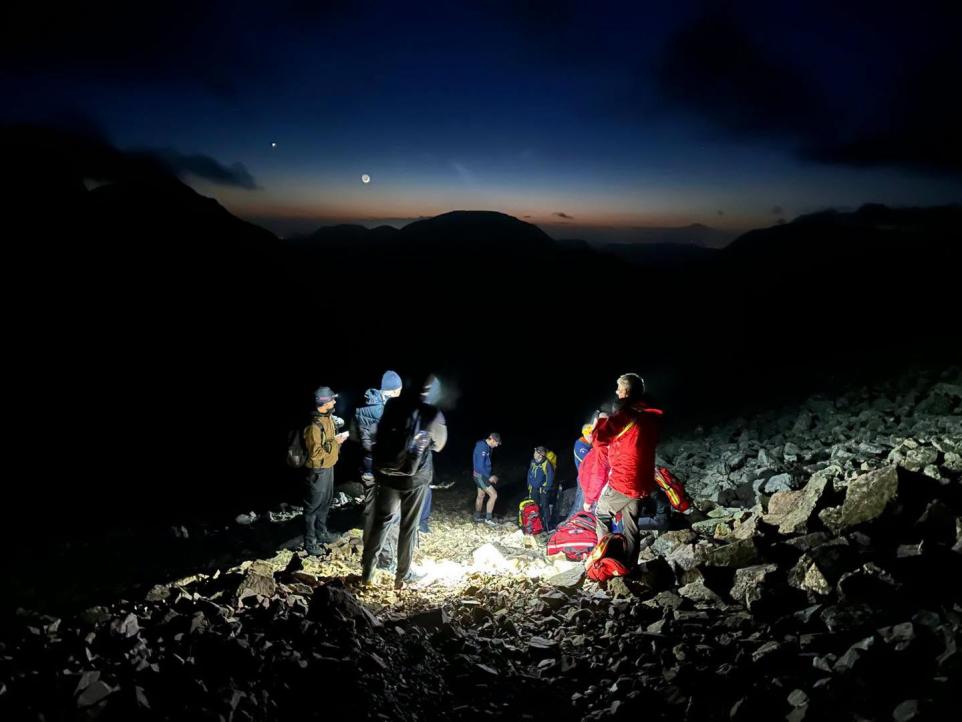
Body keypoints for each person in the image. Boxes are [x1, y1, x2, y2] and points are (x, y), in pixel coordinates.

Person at [362, 374, 447, 589]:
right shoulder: (431, 413)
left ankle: (367, 573)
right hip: (414, 478)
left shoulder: (393, 405)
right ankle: (402, 576)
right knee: (408, 527)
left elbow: (378, 435)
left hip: (387, 475)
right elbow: (439, 445)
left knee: (381, 521)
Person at [592, 373, 663, 570]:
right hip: (643, 479)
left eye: (618, 388)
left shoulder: (626, 415)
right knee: (631, 524)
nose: (616, 392)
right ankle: (630, 565)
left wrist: (602, 420)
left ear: (625, 392)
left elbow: (598, 440)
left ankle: (606, 559)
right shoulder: (651, 415)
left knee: (601, 513)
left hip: (625, 478)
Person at [354, 370, 403, 572]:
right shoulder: (383, 411)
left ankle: (369, 558)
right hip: (382, 471)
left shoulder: (364, 408)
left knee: (370, 514)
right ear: (392, 391)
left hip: (367, 468)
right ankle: (387, 561)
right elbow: (385, 444)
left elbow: (362, 441)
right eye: (399, 390)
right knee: (390, 516)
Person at [303, 386, 350, 555]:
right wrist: (336, 442)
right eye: (331, 399)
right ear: (323, 403)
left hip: (329, 466)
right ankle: (310, 542)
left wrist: (336, 439)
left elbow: (328, 441)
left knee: (325, 502)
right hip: (318, 470)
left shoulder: (327, 417)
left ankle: (322, 533)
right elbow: (315, 454)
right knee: (313, 507)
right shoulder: (314, 426)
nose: (334, 401)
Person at [473, 433, 501, 524]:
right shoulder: (482, 446)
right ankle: (488, 518)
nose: (497, 445)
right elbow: (479, 465)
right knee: (494, 495)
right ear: (492, 439)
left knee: (480, 496)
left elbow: (485, 464)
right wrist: (489, 477)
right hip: (480, 476)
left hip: (480, 475)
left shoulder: (488, 448)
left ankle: (477, 516)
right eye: (496, 443)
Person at [526, 446, 555, 530]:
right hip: (533, 489)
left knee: (545, 507)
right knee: (534, 506)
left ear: (541, 455)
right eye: (535, 452)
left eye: (536, 453)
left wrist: (546, 488)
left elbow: (550, 477)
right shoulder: (533, 462)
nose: (534, 454)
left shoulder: (546, 464)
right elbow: (529, 474)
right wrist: (529, 485)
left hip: (543, 489)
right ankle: (536, 526)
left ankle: (547, 526)